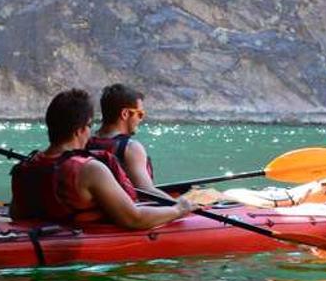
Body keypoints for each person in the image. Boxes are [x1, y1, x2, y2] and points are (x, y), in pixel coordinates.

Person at [10, 88, 195, 229]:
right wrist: (178, 209)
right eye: (89, 125)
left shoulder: (24, 167)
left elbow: (16, 215)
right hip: (81, 248)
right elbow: (134, 218)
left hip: (42, 240)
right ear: (79, 130)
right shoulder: (90, 169)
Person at [90, 83, 161, 195]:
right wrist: (180, 203)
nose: (140, 119)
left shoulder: (85, 143)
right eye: (140, 114)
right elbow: (147, 192)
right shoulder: (131, 148)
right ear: (125, 114)